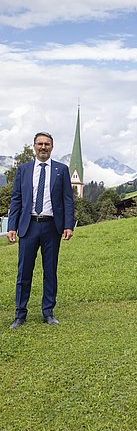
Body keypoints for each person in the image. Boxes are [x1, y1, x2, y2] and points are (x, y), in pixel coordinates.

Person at [7, 132, 74, 329]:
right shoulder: (24, 170)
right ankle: (20, 314)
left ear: (52, 147)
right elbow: (16, 199)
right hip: (28, 226)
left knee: (50, 271)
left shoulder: (61, 170)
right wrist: (12, 226)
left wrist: (68, 225)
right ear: (34, 146)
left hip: (51, 227)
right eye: (39, 144)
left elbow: (67, 200)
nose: (43, 147)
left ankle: (48, 312)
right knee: (24, 272)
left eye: (47, 144)